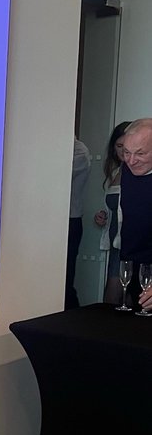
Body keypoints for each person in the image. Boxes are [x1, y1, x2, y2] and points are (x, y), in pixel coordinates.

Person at [93, 121, 130, 306]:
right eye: (119, 146)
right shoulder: (115, 171)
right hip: (116, 244)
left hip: (133, 244)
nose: (124, 152)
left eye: (128, 146)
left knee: (122, 296)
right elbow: (114, 207)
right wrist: (103, 216)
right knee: (113, 299)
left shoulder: (142, 173)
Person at [120, 118, 152, 309]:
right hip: (133, 264)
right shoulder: (128, 169)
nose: (131, 161)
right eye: (126, 152)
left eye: (140, 153)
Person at [65, 136, 91, 308]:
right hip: (50, 220)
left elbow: (56, 175)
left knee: (65, 280)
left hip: (70, 220)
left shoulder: (79, 151)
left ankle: (73, 318)